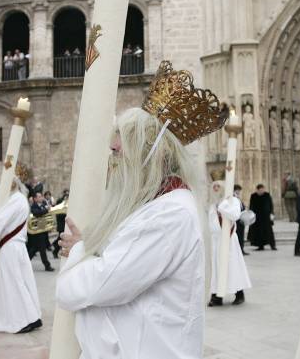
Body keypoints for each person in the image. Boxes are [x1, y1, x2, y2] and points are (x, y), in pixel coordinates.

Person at [56, 61, 225, 358]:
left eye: (118, 154)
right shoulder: (161, 205)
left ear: (146, 156)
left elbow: (90, 287)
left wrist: (81, 252)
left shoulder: (167, 216)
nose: (113, 165)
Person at [0, 177, 43, 333]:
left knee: (12, 283)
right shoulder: (18, 199)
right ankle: (31, 316)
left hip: (10, 248)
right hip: (15, 247)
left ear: (11, 184)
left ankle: (22, 320)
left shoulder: (16, 199)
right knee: (19, 282)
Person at [208, 180, 252, 307]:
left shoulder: (232, 201)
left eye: (218, 187)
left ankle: (239, 294)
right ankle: (216, 296)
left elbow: (235, 215)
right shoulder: (212, 204)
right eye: (214, 187)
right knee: (216, 269)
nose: (215, 189)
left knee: (232, 266)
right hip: (216, 241)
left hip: (229, 240)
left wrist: (221, 207)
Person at [27, 191, 55, 272]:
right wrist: (46, 210)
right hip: (37, 232)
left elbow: (46, 216)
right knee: (42, 249)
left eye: (41, 196)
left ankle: (24, 263)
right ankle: (47, 266)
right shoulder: (33, 206)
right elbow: (37, 214)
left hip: (43, 231)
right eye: (39, 197)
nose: (41, 198)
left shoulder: (43, 205)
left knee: (34, 249)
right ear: (35, 199)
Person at [248, 184, 276, 250]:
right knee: (258, 232)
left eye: (263, 189)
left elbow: (271, 205)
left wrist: (271, 213)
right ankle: (260, 246)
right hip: (257, 217)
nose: (262, 191)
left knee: (269, 231)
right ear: (257, 190)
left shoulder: (267, 195)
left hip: (266, 217)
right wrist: (251, 214)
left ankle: (272, 245)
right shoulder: (253, 196)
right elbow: (251, 206)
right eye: (260, 190)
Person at [233, 184, 248, 255]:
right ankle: (238, 251)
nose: (239, 192)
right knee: (237, 236)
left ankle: (241, 249)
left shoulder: (239, 199)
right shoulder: (233, 198)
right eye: (237, 190)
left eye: (239, 190)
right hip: (236, 221)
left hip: (241, 220)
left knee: (241, 236)